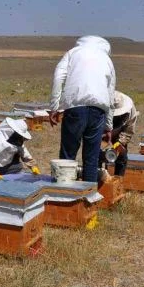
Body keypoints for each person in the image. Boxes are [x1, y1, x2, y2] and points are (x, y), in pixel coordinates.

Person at [48, 35, 116, 183]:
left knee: (67, 157)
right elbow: (111, 96)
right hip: (99, 111)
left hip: (75, 108)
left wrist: (54, 107)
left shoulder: (73, 53)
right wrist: (109, 126)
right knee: (91, 158)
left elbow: (58, 77)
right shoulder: (107, 60)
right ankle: (89, 200)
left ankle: (64, 197)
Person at [101, 91, 138, 177]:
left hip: (120, 134)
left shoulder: (131, 110)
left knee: (122, 156)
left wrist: (120, 142)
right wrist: (103, 139)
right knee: (98, 155)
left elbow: (129, 130)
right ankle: (97, 181)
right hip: (102, 132)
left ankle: (118, 182)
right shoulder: (101, 107)